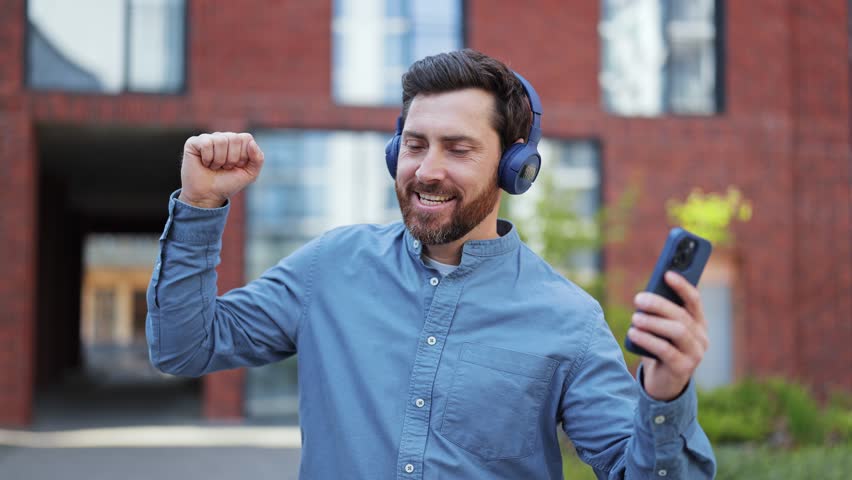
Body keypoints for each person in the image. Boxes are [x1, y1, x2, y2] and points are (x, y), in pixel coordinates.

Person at [147, 49, 716, 479]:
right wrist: (201, 205)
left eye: (459, 148)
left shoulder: (569, 319)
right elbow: (182, 346)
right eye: (415, 145)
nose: (427, 169)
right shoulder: (332, 266)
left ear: (515, 166)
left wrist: (665, 397)